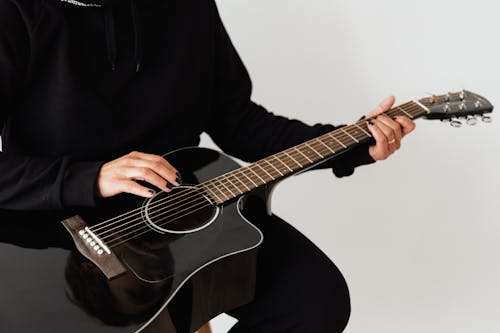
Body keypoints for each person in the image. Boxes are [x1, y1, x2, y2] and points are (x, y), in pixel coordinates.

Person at [0, 0, 415, 332]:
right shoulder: (15, 12)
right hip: (60, 231)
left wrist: (355, 143)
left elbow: (238, 122)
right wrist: (90, 177)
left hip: (184, 213)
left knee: (315, 302)